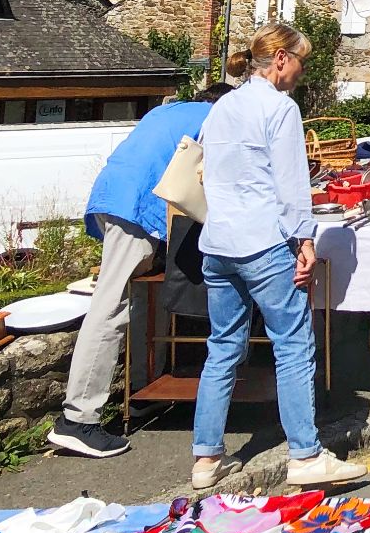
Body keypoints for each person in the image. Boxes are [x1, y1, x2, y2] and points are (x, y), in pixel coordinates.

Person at [193, 24, 365, 489]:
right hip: (262, 238)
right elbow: (291, 185)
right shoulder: (281, 109)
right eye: (301, 61)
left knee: (223, 347)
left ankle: (206, 456)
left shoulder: (222, 106)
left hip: (217, 240)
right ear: (282, 60)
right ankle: (305, 454)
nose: (302, 72)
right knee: (293, 344)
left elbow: (206, 169)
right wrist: (305, 241)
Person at [48, 65, 242, 460]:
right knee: (111, 305)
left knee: (138, 297)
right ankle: (77, 419)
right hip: (135, 207)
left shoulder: (168, 111)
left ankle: (141, 389)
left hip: (113, 198)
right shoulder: (214, 120)